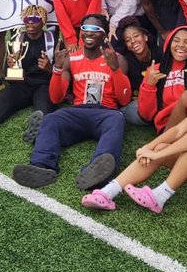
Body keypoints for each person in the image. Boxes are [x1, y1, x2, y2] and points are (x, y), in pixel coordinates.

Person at [84, 52, 187, 212]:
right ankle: (107, 193)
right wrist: (149, 148)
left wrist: (158, 155)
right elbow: (179, 129)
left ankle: (160, 195)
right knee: (160, 148)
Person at [11, 13, 131, 190]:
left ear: (105, 35)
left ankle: (97, 171)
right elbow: (56, 98)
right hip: (78, 111)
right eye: (85, 29)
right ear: (80, 32)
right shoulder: (71, 58)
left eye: (95, 30)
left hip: (106, 113)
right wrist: (57, 69)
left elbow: (124, 98)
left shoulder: (117, 58)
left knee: (117, 120)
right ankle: (41, 166)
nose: (89, 33)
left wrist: (115, 69)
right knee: (52, 118)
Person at [0, 4, 58, 141]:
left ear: (43, 21)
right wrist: (12, 69)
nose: (30, 22)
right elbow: (10, 79)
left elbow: (63, 76)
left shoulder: (53, 40)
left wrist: (49, 68)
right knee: (4, 101)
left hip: (44, 84)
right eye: (26, 18)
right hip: (22, 84)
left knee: (45, 109)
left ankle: (37, 131)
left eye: (35, 19)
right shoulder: (17, 40)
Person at [136, 25, 187, 132]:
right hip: (168, 126)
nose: (181, 45)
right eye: (176, 41)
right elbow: (146, 115)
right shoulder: (155, 70)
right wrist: (149, 86)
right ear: (169, 43)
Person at [113, 16, 157, 127]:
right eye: (128, 40)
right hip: (137, 102)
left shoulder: (159, 53)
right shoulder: (126, 61)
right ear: (127, 46)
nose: (133, 41)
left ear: (145, 37)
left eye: (136, 36)